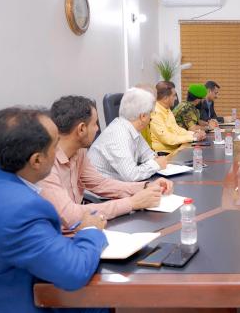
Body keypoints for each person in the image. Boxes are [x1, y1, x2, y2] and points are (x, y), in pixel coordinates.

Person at [0, 107, 108, 313]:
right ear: (36, 160)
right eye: (55, 145)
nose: (59, 150)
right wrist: (90, 230)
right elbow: (74, 272)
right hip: (14, 305)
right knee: (103, 299)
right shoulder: (22, 211)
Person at [38, 96, 173, 231]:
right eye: (95, 124)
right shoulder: (44, 163)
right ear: (81, 129)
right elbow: (71, 215)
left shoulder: (79, 152)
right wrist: (132, 203)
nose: (97, 129)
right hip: (58, 234)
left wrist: (145, 186)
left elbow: (100, 184)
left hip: (81, 227)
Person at [88, 88, 169, 181]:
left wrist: (156, 161)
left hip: (118, 184)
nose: (151, 117)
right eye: (150, 113)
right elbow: (131, 175)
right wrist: (156, 164)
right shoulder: (118, 134)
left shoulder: (132, 129)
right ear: (143, 116)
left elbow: (149, 156)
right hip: (100, 188)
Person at [151, 81, 206, 152]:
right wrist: (193, 138)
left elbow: (177, 130)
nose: (176, 98)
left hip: (175, 149)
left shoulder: (167, 110)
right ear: (165, 98)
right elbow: (167, 138)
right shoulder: (155, 113)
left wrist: (194, 134)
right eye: (174, 95)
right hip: (165, 153)